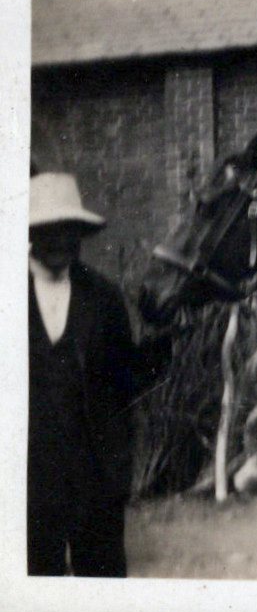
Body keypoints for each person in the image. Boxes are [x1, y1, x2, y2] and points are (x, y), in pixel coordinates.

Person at [27, 172, 166, 576]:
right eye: (48, 232)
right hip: (27, 479)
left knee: (102, 583)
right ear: (31, 234)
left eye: (69, 232)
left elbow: (127, 380)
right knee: (32, 584)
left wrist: (161, 343)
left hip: (95, 474)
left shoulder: (103, 297)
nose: (60, 242)